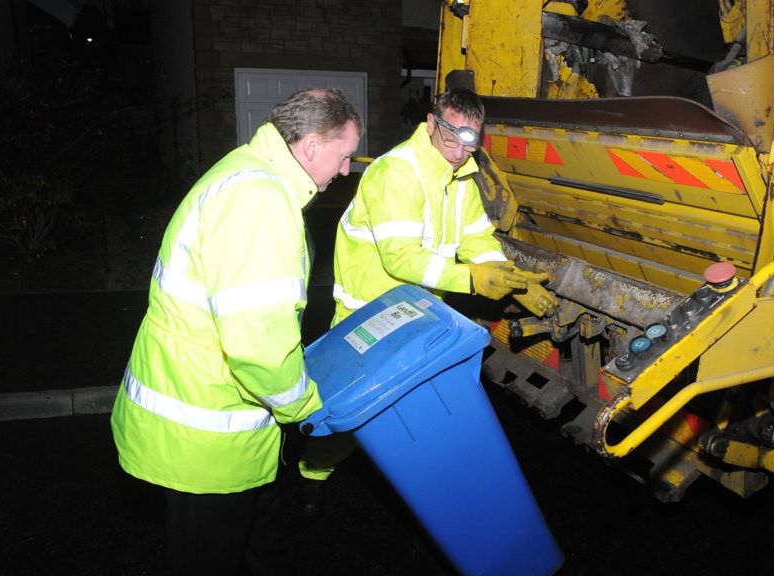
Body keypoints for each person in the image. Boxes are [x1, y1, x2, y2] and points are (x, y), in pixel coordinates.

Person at [110, 88, 363, 576]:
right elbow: (258, 342)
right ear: (311, 145)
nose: (346, 169)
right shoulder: (260, 203)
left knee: (262, 541)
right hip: (206, 440)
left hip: (218, 421)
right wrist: (305, 406)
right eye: (344, 154)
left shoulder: (247, 169)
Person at [295, 88, 557, 507]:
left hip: (416, 313)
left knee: (421, 408)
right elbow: (400, 258)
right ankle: (314, 474)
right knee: (352, 413)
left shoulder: (461, 177)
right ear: (432, 124)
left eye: (467, 142)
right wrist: (474, 280)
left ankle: (430, 482)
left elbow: (476, 238)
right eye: (450, 139)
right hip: (366, 315)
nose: (457, 152)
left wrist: (508, 278)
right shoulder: (397, 173)